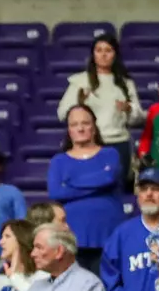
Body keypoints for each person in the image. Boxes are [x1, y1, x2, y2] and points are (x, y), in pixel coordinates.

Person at [48, 105, 126, 271]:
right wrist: (98, 184)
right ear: (69, 130)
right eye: (74, 124)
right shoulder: (59, 160)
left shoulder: (110, 153)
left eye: (85, 123)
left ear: (94, 126)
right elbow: (56, 192)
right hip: (73, 236)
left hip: (108, 232)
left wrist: (71, 183)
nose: (80, 128)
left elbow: (108, 178)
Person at [56, 34, 145, 158]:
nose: (103, 55)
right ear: (93, 54)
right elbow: (62, 114)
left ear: (115, 54)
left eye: (108, 50)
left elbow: (139, 118)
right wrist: (78, 103)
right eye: (99, 50)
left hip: (118, 144)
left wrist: (129, 108)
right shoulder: (80, 81)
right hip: (88, 143)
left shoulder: (126, 83)